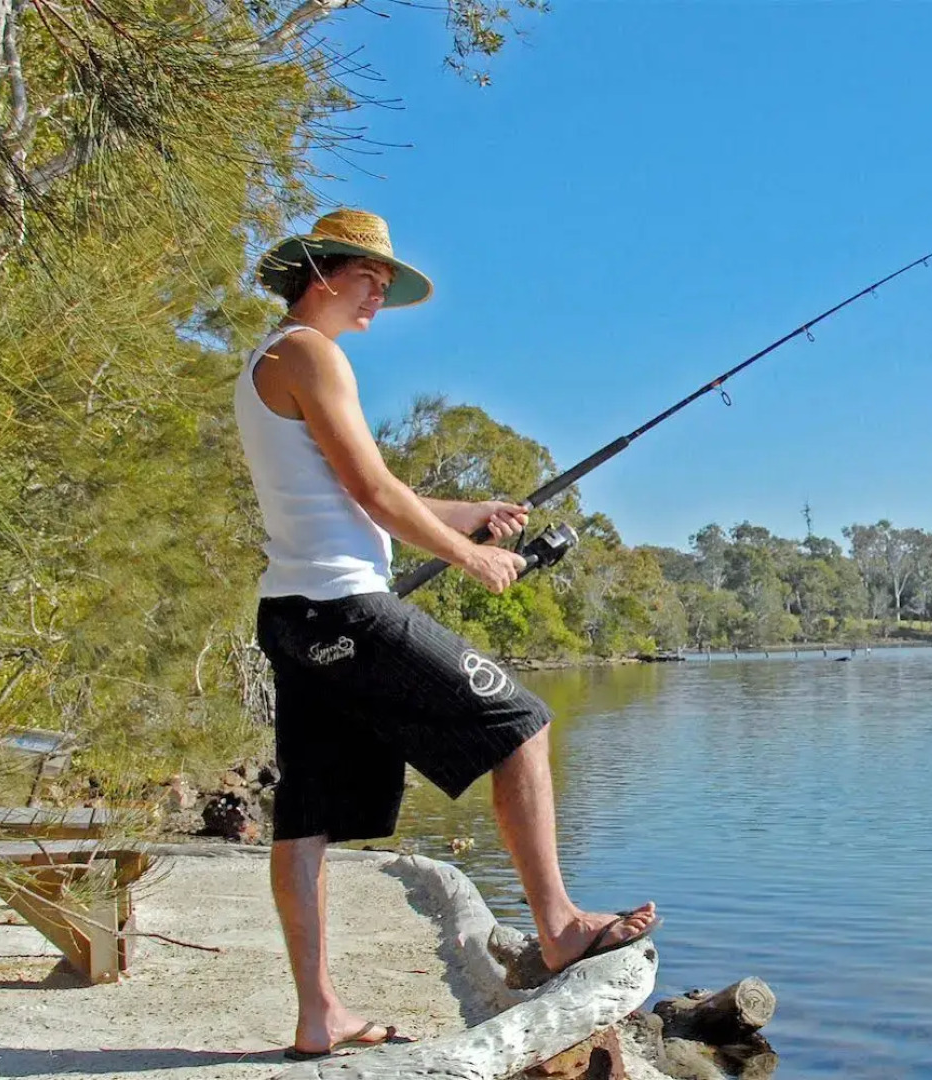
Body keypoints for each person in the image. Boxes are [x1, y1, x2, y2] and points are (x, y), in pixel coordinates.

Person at [237, 209, 659, 1060]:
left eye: (386, 286)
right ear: (321, 272)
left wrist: (477, 514)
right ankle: (562, 926)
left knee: (307, 815)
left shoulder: (274, 359)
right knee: (521, 724)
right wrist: (471, 557)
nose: (378, 296)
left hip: (296, 613)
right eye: (368, 279)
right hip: (344, 610)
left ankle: (317, 1014)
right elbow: (370, 486)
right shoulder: (309, 354)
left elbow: (363, 493)